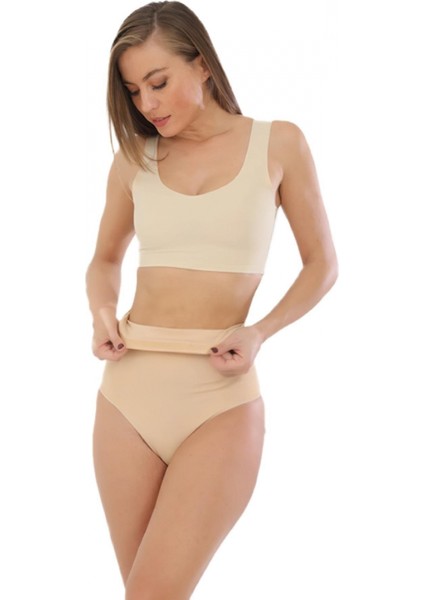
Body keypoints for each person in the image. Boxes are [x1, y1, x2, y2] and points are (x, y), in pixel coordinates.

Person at [85, 1, 338, 598]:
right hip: (127, 394)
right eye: (133, 91)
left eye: (158, 82)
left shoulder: (278, 144)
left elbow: (322, 265)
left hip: (219, 398)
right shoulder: (134, 159)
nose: (147, 105)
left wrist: (260, 330)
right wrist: (102, 313)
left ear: (201, 64)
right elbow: (105, 260)